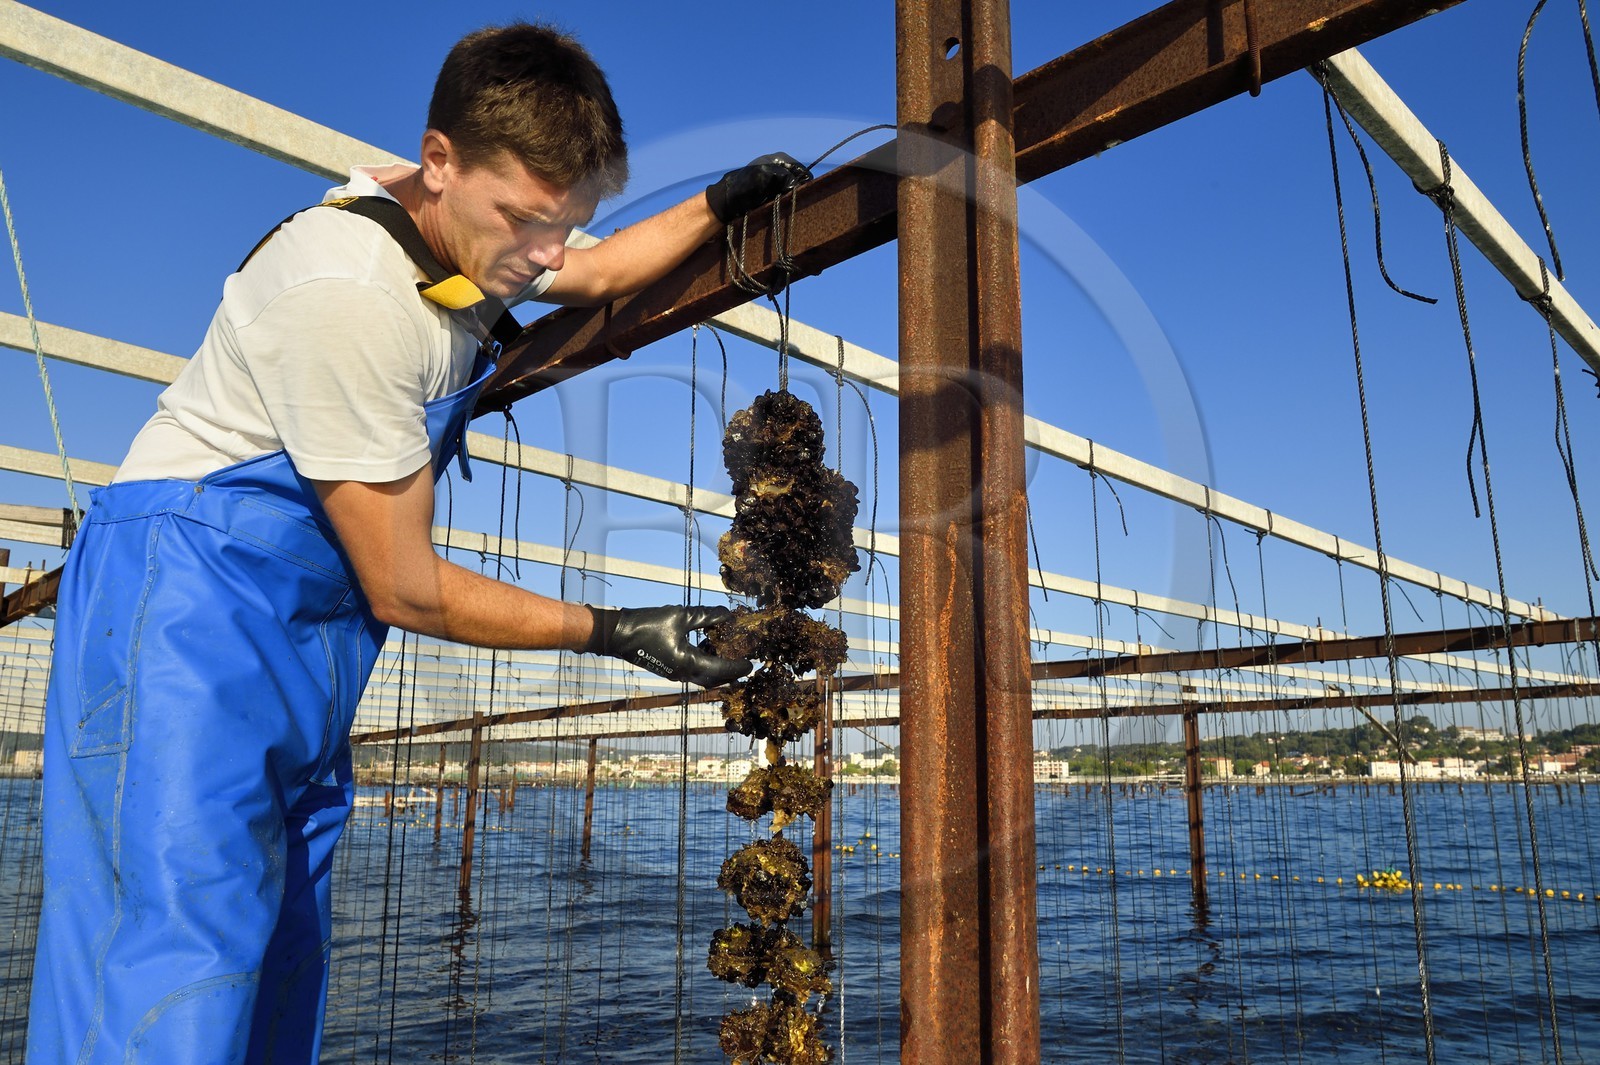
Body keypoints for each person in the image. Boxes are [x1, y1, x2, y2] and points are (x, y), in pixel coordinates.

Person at [26, 21, 807, 1064]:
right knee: (173, 946)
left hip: (298, 641)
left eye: (560, 223)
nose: (540, 255)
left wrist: (720, 202)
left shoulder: (469, 238)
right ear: (438, 160)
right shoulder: (347, 293)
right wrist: (618, 630)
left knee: (279, 940)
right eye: (525, 221)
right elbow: (402, 585)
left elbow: (603, 269)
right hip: (182, 614)